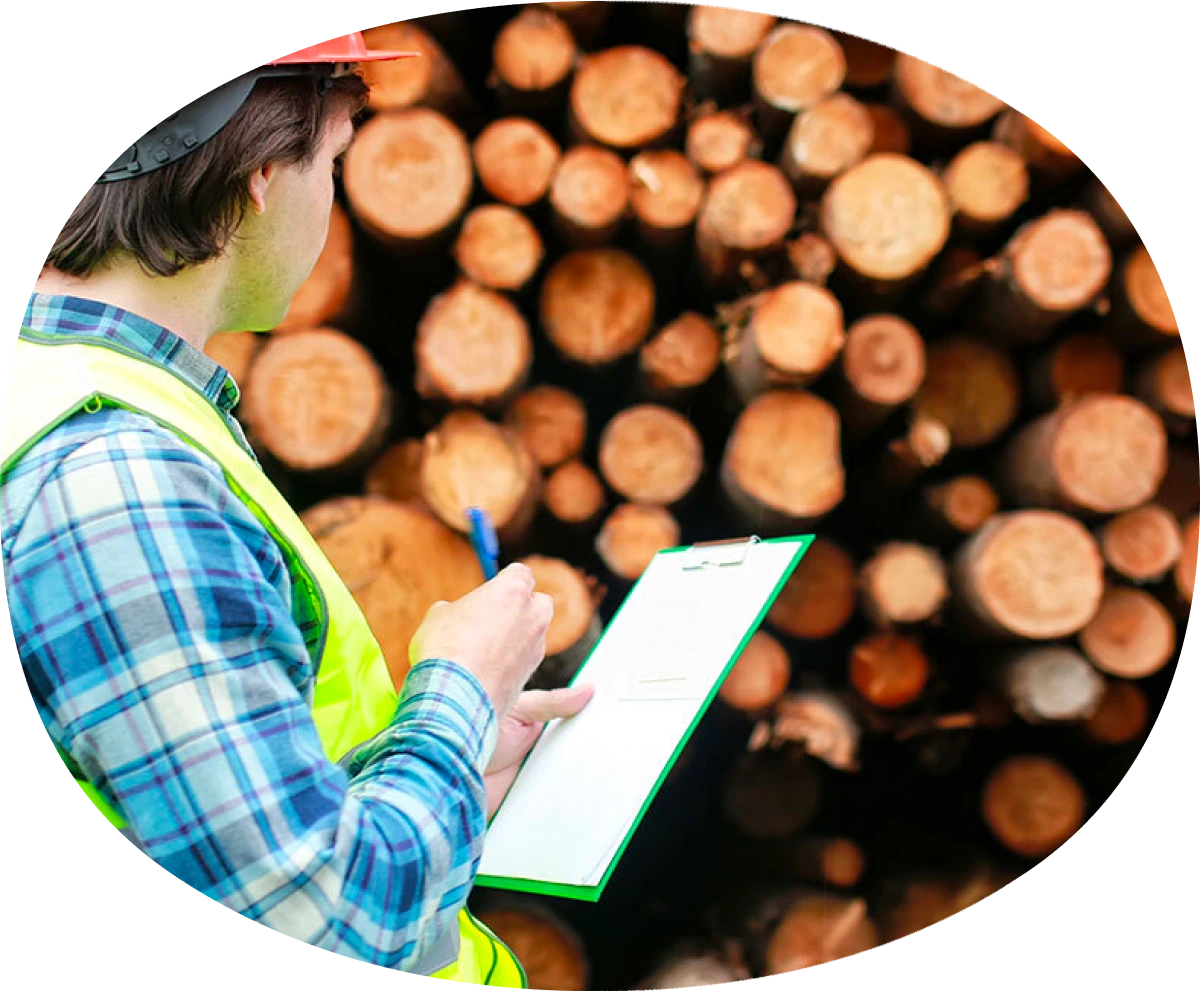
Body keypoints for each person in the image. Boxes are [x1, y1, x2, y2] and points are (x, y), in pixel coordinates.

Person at [2, 30, 594, 984]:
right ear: (264, 173)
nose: (332, 195)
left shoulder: (101, 412)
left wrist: (440, 760)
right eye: (335, 158)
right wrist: (458, 689)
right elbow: (329, 916)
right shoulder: (117, 479)